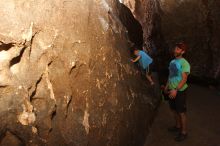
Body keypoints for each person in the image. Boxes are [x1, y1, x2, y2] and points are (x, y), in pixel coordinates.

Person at [164, 42, 190, 142]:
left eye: (178, 49)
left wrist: (176, 90)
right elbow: (170, 76)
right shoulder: (172, 62)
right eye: (175, 48)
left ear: (183, 52)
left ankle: (184, 132)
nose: (175, 50)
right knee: (174, 110)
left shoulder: (184, 63)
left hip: (180, 91)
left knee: (181, 112)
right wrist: (167, 87)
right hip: (171, 89)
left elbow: (184, 79)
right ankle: (177, 126)